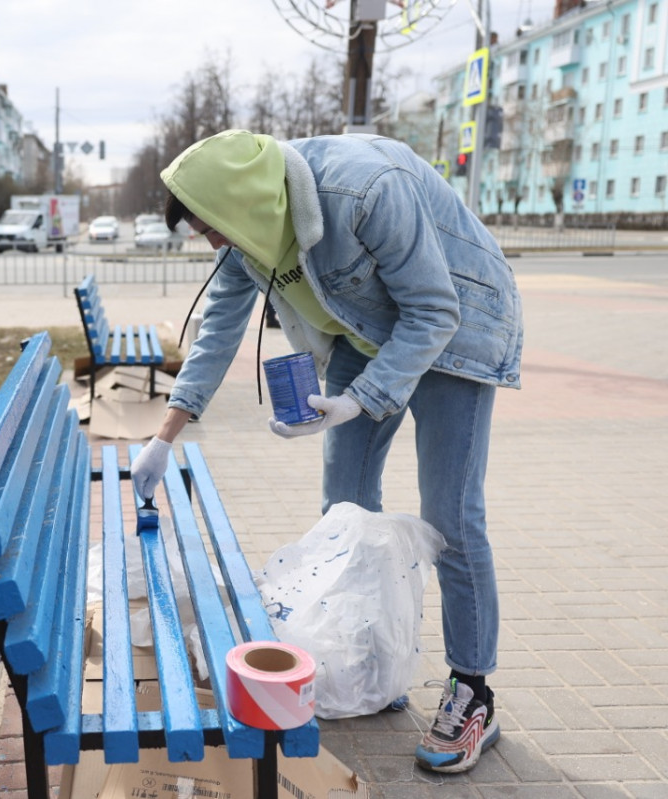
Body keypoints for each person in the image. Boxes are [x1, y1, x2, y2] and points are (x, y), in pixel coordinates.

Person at [130, 130, 523, 774]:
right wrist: (164, 435)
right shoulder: (247, 228)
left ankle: (473, 693)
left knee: (452, 519)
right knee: (344, 509)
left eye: (210, 229)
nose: (214, 244)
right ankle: (375, 664)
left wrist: (361, 398)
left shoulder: (364, 190)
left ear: (241, 201)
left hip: (459, 328)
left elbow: (431, 310)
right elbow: (218, 333)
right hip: (366, 332)